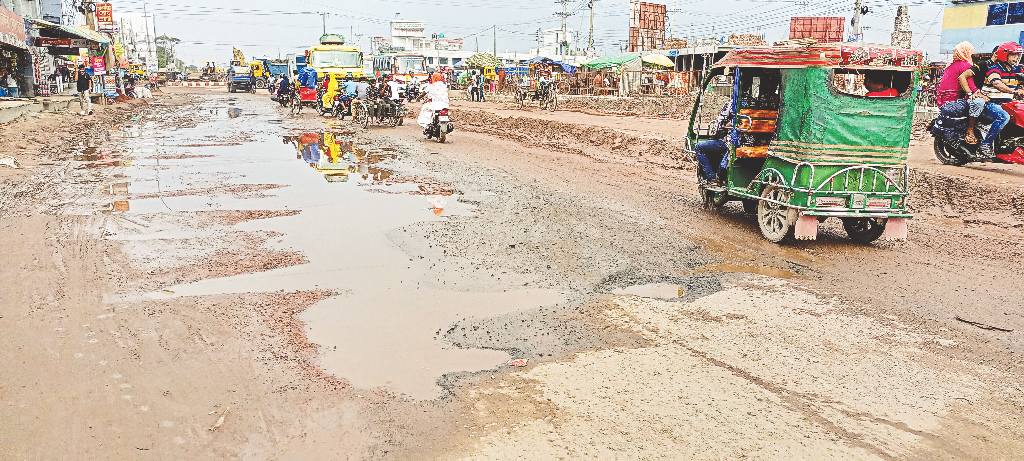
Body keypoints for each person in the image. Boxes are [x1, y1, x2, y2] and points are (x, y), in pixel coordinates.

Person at [960, 42, 1021, 159]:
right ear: (1004, 55)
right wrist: (1014, 92)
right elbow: (997, 83)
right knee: (1004, 117)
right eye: (1013, 55)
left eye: (1017, 55)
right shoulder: (994, 69)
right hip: (990, 104)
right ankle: (985, 145)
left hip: (1007, 104)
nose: (1016, 57)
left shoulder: (1015, 70)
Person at [937, 42, 984, 144]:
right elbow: (970, 84)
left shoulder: (950, 65)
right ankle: (970, 131)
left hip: (942, 99)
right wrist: (978, 93)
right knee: (977, 104)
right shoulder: (965, 65)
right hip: (953, 99)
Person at [695, 101, 734, 186]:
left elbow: (718, 126)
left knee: (699, 147)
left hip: (733, 143)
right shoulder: (755, 103)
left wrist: (714, 133)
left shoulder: (731, 104)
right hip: (759, 143)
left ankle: (712, 178)